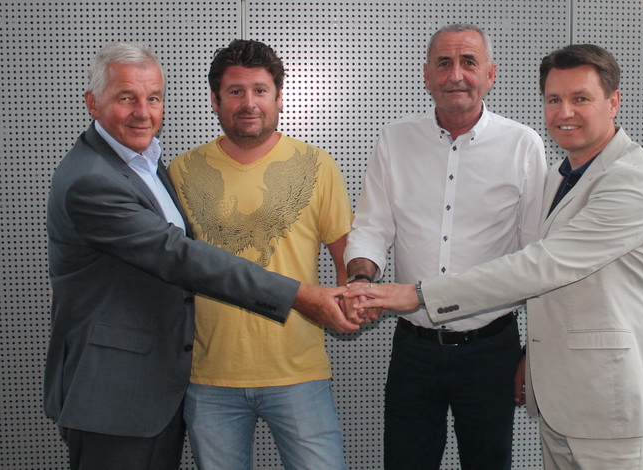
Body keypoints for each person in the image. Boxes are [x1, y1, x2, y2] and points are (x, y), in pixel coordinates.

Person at [346, 44, 643, 470]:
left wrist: (418, 294)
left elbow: (538, 265)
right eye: (554, 99)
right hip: (561, 395)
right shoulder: (565, 175)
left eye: (580, 98)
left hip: (608, 398)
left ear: (613, 102)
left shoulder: (629, 182)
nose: (564, 112)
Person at [44, 42, 359, 470]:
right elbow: (180, 257)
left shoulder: (145, 165)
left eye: (153, 98)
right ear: (93, 104)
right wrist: (299, 296)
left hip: (172, 386)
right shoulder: (95, 179)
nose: (143, 112)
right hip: (123, 391)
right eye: (126, 98)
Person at [342, 24, 547, 470]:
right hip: (414, 349)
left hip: (492, 349)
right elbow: (373, 226)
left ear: (490, 75)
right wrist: (360, 280)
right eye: (444, 63)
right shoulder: (394, 141)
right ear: (427, 75)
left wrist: (532, 351)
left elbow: (537, 259)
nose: (456, 75)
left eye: (468, 62)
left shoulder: (523, 146)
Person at [167, 39, 351, 470]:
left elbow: (347, 257)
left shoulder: (317, 165)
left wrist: (347, 305)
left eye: (260, 90)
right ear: (215, 101)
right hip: (211, 377)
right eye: (235, 91)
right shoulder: (182, 172)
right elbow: (167, 263)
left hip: (299, 373)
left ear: (279, 97)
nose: (249, 103)